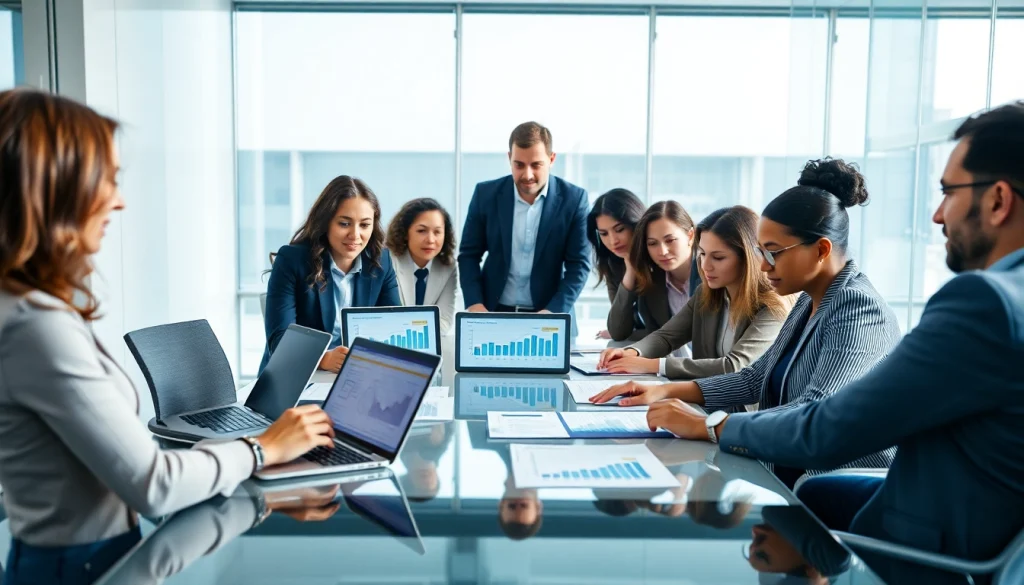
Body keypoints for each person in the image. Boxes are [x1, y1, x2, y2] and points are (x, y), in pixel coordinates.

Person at [642, 102, 1024, 585]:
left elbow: (827, 425)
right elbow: (761, 378)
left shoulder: (982, 304)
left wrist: (714, 426)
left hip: (908, 558)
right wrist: (673, 393)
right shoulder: (807, 300)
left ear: (998, 200)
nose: (936, 214)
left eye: (948, 191)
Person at [0, 89, 335, 585]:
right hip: (74, 568)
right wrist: (264, 448)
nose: (119, 199)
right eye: (107, 180)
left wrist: (262, 500)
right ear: (57, 189)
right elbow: (153, 486)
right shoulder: (34, 326)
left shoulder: (32, 309)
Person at [592, 158, 903, 486]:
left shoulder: (856, 307)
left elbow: (814, 414)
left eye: (773, 252)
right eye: (760, 252)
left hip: (843, 487)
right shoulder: (808, 300)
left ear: (821, 250)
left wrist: (707, 427)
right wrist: (664, 390)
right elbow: (755, 378)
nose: (764, 265)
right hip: (791, 474)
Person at [596, 206, 793, 380]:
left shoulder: (772, 306)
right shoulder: (706, 294)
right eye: (703, 254)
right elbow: (666, 336)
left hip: (746, 415)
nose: (705, 266)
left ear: (748, 258)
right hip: (706, 404)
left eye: (718, 257)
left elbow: (734, 366)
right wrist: (632, 352)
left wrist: (652, 365)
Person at [261, 175, 400, 374]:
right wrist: (323, 359)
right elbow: (280, 340)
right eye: (344, 223)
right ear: (325, 222)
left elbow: (395, 326)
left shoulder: (380, 261)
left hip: (355, 374)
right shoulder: (292, 260)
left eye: (364, 225)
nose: (355, 235)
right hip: (296, 375)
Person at [458, 122, 591, 323]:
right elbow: (468, 255)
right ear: (509, 158)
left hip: (551, 316)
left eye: (536, 165)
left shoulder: (574, 200)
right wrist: (475, 304)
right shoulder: (485, 195)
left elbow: (579, 266)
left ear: (551, 159)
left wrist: (552, 312)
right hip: (492, 313)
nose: (527, 175)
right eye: (519, 165)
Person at [607, 200, 703, 344]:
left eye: (670, 240)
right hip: (673, 364)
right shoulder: (652, 287)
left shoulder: (712, 275)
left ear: (690, 236)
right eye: (652, 243)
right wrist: (632, 270)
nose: (662, 251)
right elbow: (619, 332)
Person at [385, 198, 458, 334]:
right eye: (421, 231)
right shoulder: (388, 261)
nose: (430, 240)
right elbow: (389, 318)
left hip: (427, 344)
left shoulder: (448, 267)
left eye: (437, 232)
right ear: (405, 232)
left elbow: (444, 321)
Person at [586, 188, 647, 340]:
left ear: (636, 224)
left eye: (619, 229)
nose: (613, 241)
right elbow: (618, 331)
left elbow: (667, 331)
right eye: (604, 234)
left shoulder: (662, 260)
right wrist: (630, 272)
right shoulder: (614, 264)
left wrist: (631, 334)